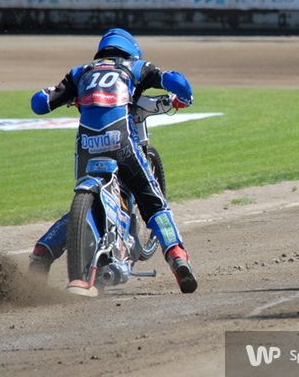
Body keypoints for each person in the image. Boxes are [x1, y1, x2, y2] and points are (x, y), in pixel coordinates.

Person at [28, 28, 197, 293]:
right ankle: (177, 255)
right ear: (130, 51)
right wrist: (185, 97)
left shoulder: (80, 72)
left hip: (86, 148)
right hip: (122, 144)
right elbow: (175, 81)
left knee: (85, 208)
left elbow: (39, 104)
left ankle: (43, 250)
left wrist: (70, 96)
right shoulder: (135, 67)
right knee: (152, 201)